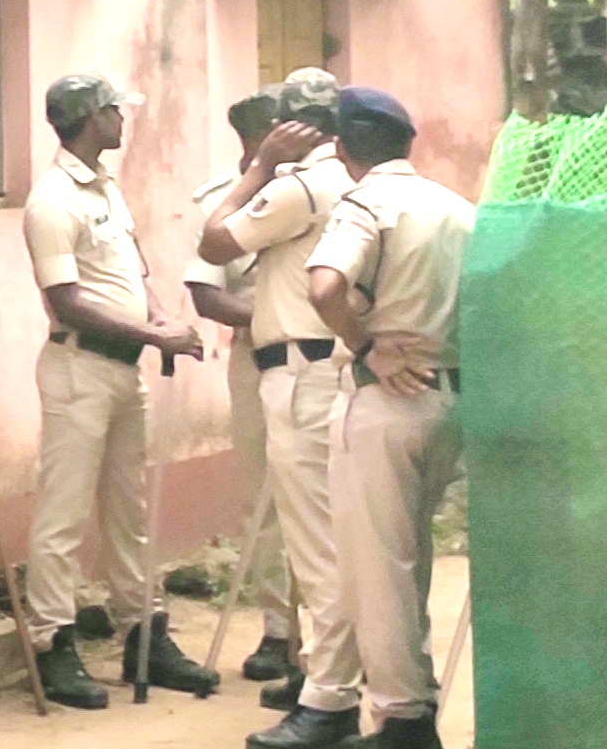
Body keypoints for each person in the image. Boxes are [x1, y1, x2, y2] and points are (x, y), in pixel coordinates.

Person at [21, 72, 219, 709]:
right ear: (88, 118)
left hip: (123, 368)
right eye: (113, 109)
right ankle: (52, 641)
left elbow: (133, 274)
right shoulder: (52, 200)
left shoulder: (105, 187)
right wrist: (155, 335)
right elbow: (67, 301)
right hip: (79, 368)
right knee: (64, 513)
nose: (122, 118)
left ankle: (144, 634)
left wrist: (160, 320)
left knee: (130, 510)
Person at [198, 69, 366, 748]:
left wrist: (258, 166)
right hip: (338, 370)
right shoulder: (356, 180)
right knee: (345, 538)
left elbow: (213, 241)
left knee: (315, 546)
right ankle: (348, 682)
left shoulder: (299, 184)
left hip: (301, 373)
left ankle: (328, 698)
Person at [305, 88, 473, 749]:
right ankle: (414, 706)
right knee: (411, 560)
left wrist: (367, 346)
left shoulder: (366, 202)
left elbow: (324, 285)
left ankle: (403, 720)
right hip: (451, 397)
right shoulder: (458, 208)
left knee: (378, 570)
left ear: (340, 147)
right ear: (407, 142)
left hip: (386, 397)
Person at [185, 87, 295, 686]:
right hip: (258, 360)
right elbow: (206, 295)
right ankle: (280, 630)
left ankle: (337, 631)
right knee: (264, 500)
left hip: (323, 361)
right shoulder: (219, 204)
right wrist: (275, 316)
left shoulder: (316, 190)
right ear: (258, 139)